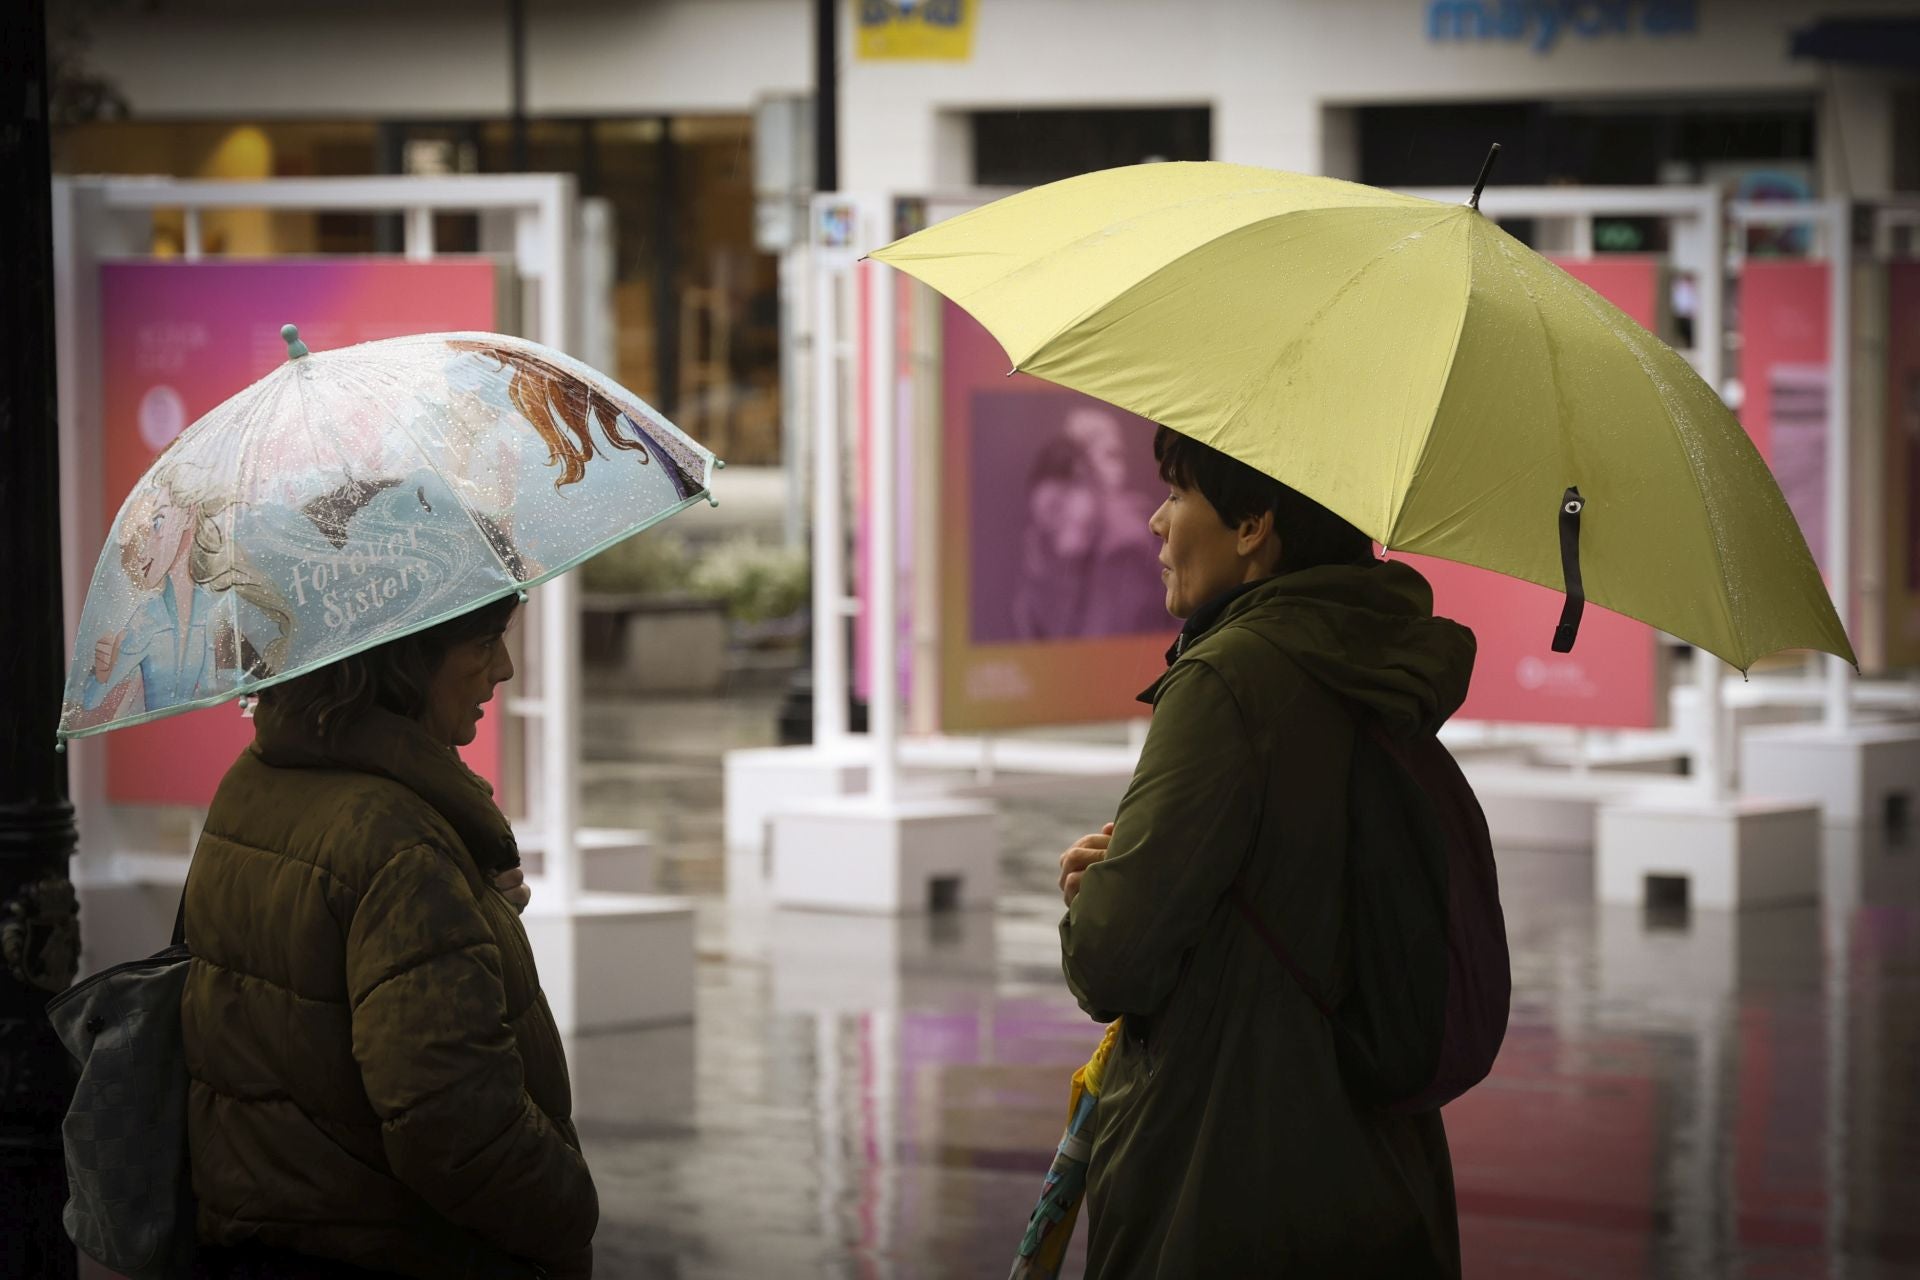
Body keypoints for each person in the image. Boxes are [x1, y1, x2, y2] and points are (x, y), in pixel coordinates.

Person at [1056, 427, 1473, 1278]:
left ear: (1253, 524)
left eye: (1177, 495)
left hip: (1225, 1175)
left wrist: (1094, 895)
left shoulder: (1231, 680)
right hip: (1379, 1168)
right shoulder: (1370, 659)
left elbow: (1110, 961)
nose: (1154, 523)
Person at [182, 595, 598, 1279]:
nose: (505, 669)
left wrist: (473, 916)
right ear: (404, 655)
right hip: (392, 1245)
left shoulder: (254, 783)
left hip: (259, 1238)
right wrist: (570, 1211)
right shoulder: (399, 839)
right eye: (484, 641)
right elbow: (454, 1126)